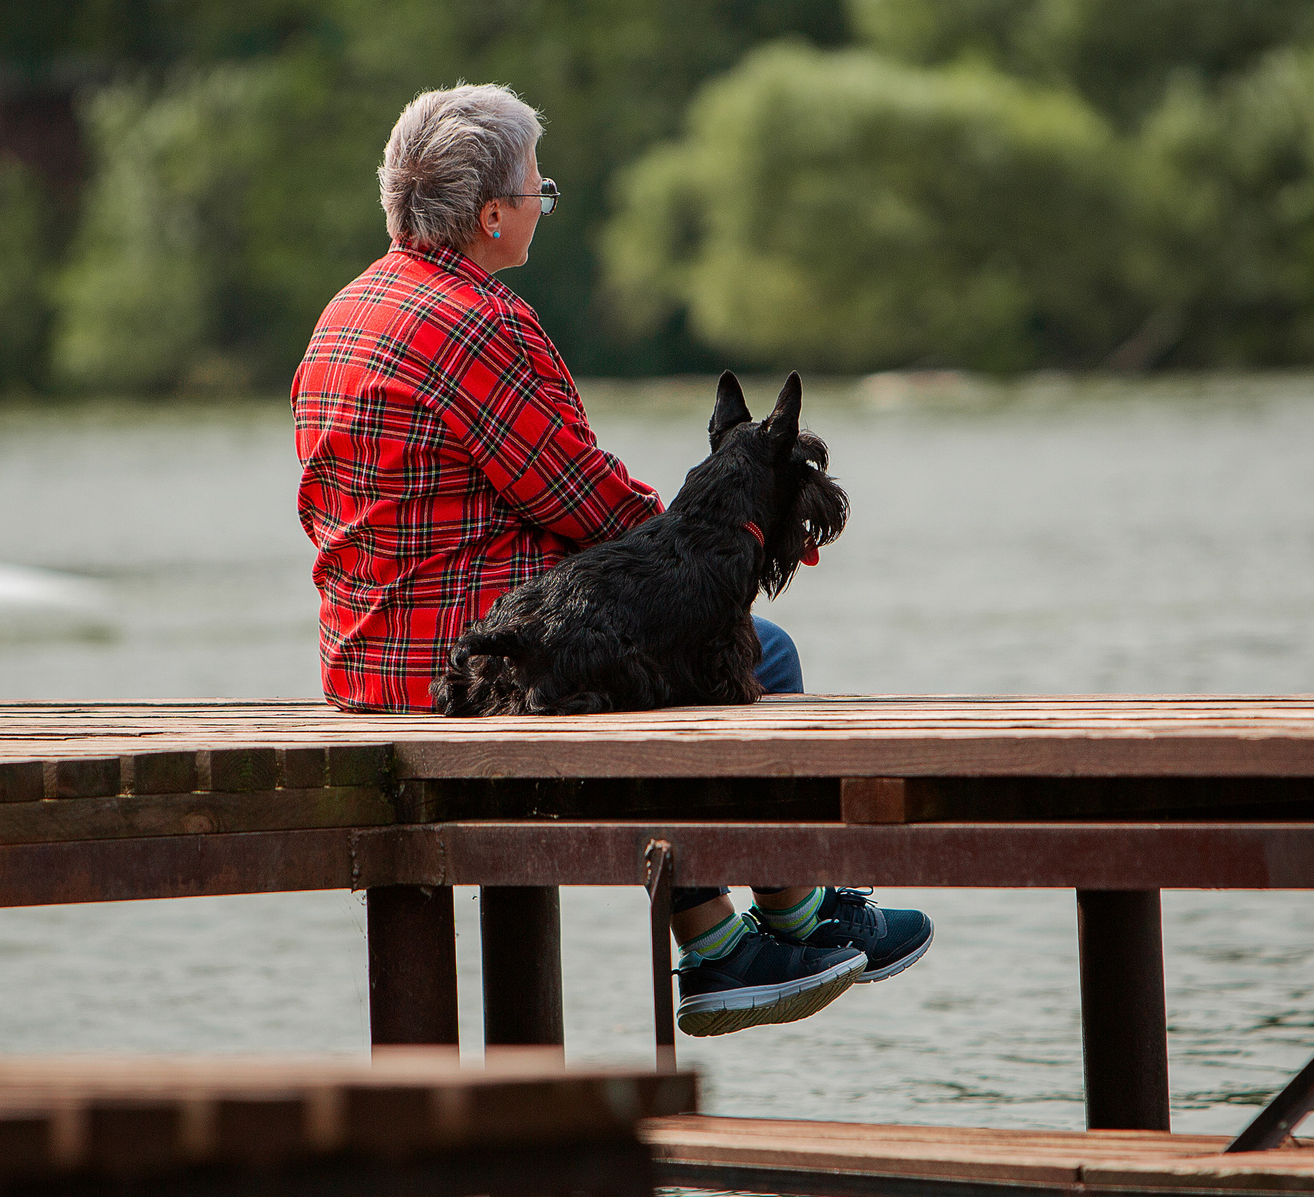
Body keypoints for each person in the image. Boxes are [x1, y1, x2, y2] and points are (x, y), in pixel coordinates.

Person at [291, 82, 931, 1035]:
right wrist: (726, 533)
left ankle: (726, 936)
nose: (544, 209)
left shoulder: (342, 315)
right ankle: (788, 917)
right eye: (540, 195)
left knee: (670, 652)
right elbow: (587, 501)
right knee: (761, 654)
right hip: (482, 668)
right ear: (493, 213)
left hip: (362, 662)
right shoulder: (478, 322)